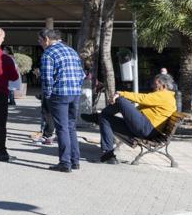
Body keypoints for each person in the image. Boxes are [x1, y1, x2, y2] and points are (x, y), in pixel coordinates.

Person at [91, 73, 177, 164]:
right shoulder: (163, 96)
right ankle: (108, 156)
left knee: (121, 100)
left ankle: (95, 117)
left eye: (155, 85)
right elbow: (140, 107)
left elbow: (143, 98)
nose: (153, 87)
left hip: (146, 128)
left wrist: (120, 93)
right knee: (104, 118)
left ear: (163, 86)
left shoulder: (165, 96)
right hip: (144, 128)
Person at [39, 28, 84, 173]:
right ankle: (75, 160)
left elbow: (47, 78)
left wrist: (47, 95)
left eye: (40, 41)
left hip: (59, 94)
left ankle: (65, 163)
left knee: (62, 128)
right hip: (75, 93)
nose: (40, 43)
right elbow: (82, 74)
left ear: (46, 39)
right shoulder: (72, 51)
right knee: (71, 126)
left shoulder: (48, 53)